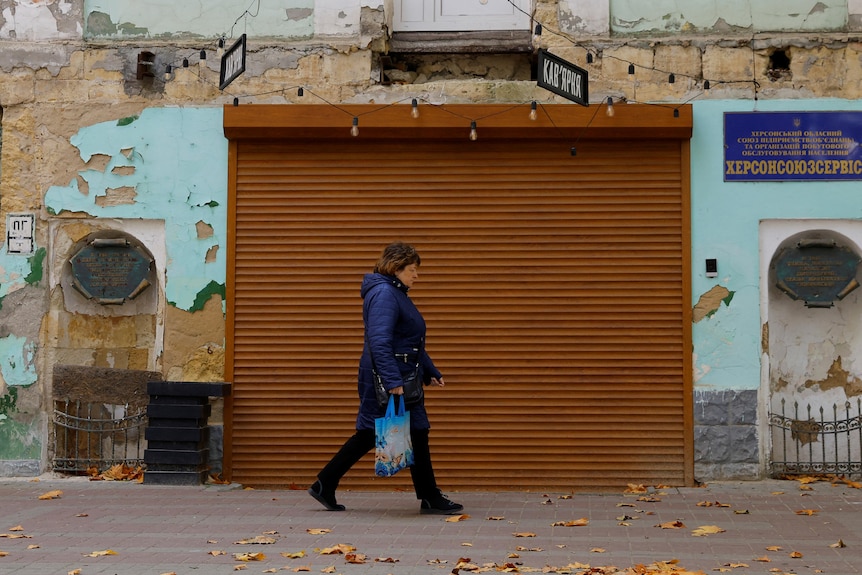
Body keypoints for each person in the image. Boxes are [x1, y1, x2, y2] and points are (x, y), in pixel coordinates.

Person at [308, 241, 463, 515]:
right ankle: (429, 497)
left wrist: (430, 371)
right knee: (401, 431)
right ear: (397, 267)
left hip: (402, 375)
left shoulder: (395, 293)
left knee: (387, 431)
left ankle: (326, 482)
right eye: (413, 269)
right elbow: (379, 341)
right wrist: (393, 382)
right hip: (389, 378)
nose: (417, 275)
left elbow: (410, 342)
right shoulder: (384, 294)